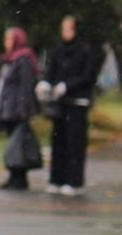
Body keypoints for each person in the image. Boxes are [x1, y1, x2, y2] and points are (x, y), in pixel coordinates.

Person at [37, 15, 94, 196]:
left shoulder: (85, 50)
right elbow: (51, 70)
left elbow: (87, 76)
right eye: (63, 28)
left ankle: (74, 181)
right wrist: (46, 83)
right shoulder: (58, 50)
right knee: (58, 142)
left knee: (74, 143)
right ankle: (56, 179)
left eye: (68, 28)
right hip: (60, 104)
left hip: (77, 103)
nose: (65, 32)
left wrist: (67, 86)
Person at [0, 27, 40, 190]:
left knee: (18, 144)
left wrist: (23, 109)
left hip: (17, 109)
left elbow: (26, 86)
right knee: (13, 143)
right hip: (8, 108)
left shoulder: (22, 59)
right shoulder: (10, 60)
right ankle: (13, 176)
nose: (6, 43)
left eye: (9, 39)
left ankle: (19, 178)